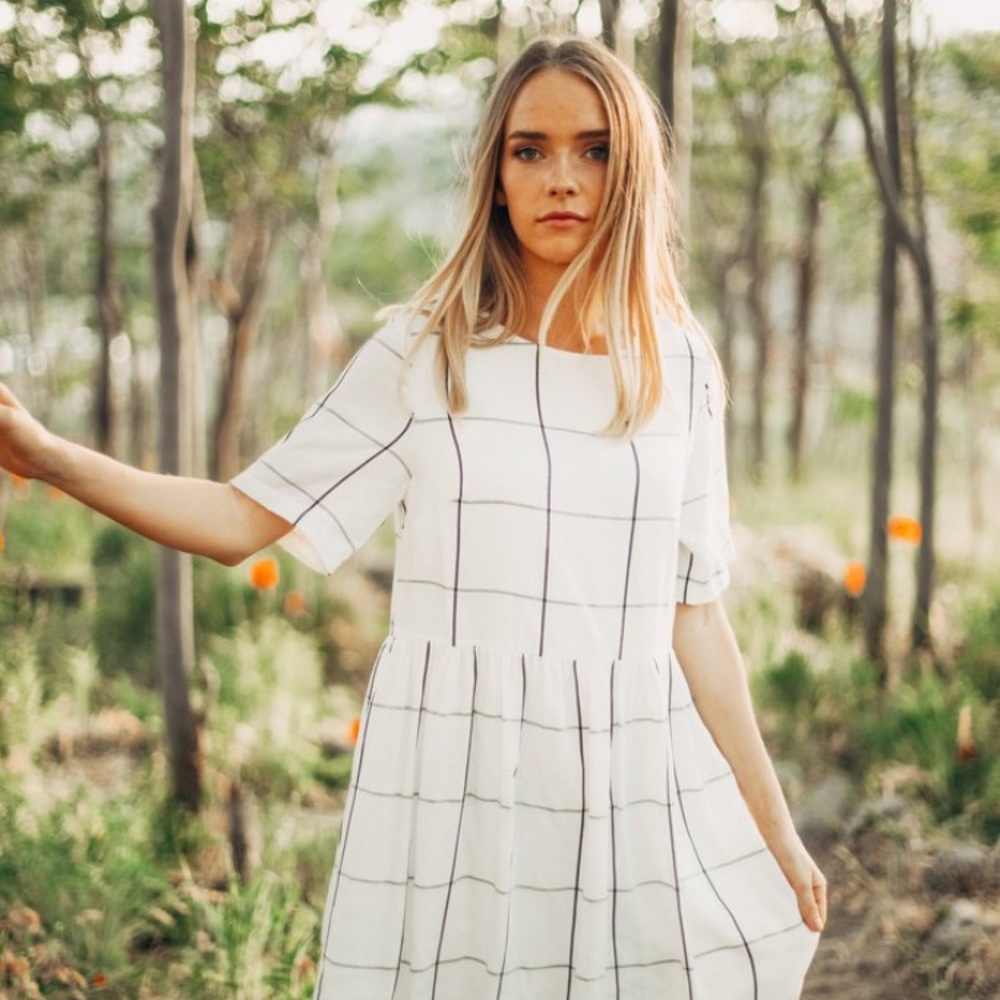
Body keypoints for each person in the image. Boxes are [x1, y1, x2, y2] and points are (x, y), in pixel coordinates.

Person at [0, 36, 824, 1000]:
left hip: (624, 778)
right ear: (497, 175)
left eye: (595, 150)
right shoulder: (426, 356)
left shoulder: (677, 366)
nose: (562, 178)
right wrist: (50, 458)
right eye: (530, 150)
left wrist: (776, 828)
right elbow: (238, 517)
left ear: (632, 169)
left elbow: (696, 613)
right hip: (453, 779)